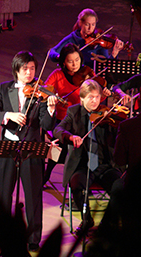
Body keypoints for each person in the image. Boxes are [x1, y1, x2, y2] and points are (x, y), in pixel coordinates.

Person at [0, 50, 57, 252]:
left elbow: (47, 124)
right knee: (5, 194)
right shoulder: (3, 88)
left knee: (33, 195)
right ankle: (2, 236)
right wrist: (8, 115)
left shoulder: (41, 93)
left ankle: (33, 238)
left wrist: (51, 110)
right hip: (8, 148)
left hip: (31, 150)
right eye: (25, 68)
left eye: (32, 68)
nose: (29, 72)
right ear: (16, 69)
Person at [53, 79, 122, 236]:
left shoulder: (106, 113)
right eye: (90, 97)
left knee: (120, 187)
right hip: (82, 165)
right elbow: (58, 129)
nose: (95, 101)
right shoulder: (73, 112)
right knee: (77, 186)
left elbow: (119, 134)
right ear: (82, 98)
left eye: (97, 97)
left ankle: (107, 222)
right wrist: (71, 137)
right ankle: (87, 219)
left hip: (104, 164)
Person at [43, 43, 111, 185]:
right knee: (60, 146)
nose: (75, 64)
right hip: (62, 120)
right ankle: (47, 175)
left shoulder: (87, 74)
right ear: (63, 62)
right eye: (70, 61)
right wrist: (52, 96)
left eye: (77, 60)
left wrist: (103, 94)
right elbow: (46, 89)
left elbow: (96, 99)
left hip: (82, 119)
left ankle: (88, 174)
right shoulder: (57, 75)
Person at [49, 8, 124, 68]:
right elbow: (52, 51)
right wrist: (59, 57)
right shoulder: (73, 38)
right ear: (80, 23)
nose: (90, 28)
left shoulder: (99, 41)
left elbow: (107, 66)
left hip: (94, 77)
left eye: (93, 24)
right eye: (87, 24)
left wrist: (115, 53)